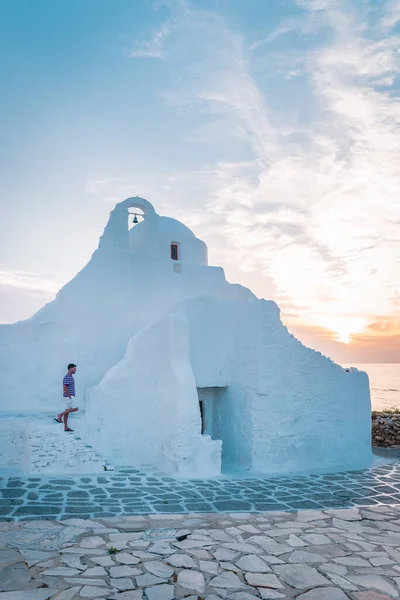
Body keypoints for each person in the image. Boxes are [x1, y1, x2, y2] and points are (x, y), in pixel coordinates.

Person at [54, 363, 78, 432]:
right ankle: (60, 415)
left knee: (67, 412)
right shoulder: (67, 376)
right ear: (70, 368)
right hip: (69, 396)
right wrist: (69, 395)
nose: (75, 370)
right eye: (74, 368)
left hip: (68, 396)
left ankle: (65, 427)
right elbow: (65, 387)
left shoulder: (70, 376)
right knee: (76, 408)